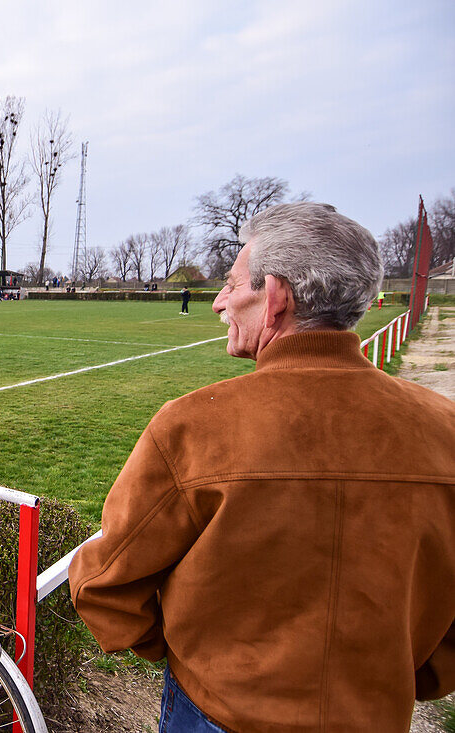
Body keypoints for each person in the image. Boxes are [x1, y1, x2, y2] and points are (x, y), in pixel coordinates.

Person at [68, 202, 455, 732]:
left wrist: (189, 661)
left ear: (274, 298)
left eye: (231, 284)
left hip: (218, 713)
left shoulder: (195, 427)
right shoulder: (446, 428)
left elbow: (104, 583)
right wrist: (390, 679)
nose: (219, 304)